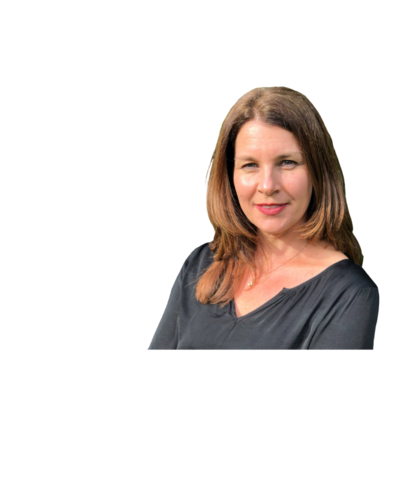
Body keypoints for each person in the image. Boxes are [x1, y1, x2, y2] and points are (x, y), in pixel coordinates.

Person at [146, 86, 380, 351]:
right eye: (250, 165)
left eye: (287, 162)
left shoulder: (349, 294)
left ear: (318, 171)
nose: (268, 186)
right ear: (229, 177)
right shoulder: (199, 264)